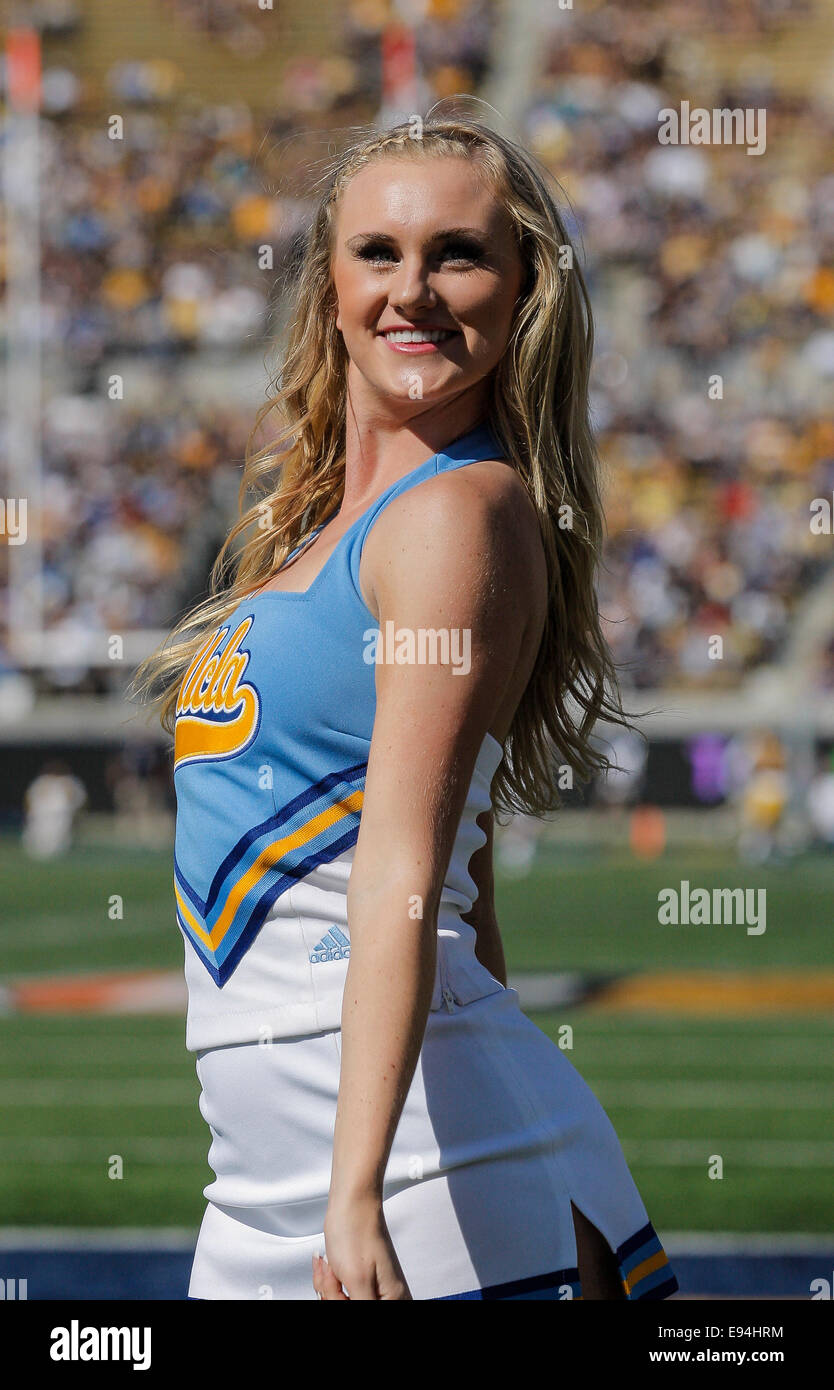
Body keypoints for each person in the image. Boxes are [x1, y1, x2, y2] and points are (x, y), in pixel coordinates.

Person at [130, 113, 678, 1302]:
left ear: (523, 284)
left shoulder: (454, 516)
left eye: (459, 255)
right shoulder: (316, 534)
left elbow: (401, 877)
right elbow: (465, 870)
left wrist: (356, 1184)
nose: (413, 290)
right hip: (265, 1183)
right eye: (378, 252)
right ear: (327, 288)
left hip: (426, 1173)